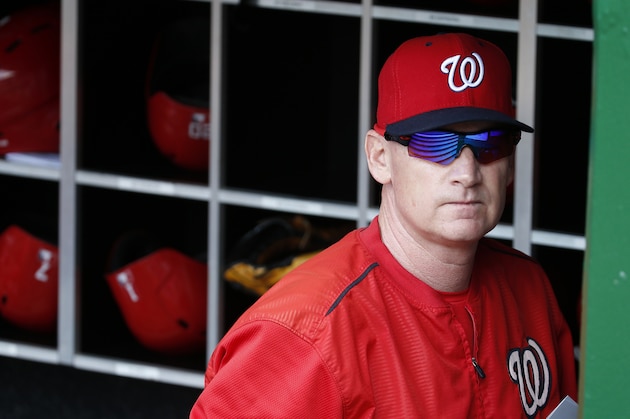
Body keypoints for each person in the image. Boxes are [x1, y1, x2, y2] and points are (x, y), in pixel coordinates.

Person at [189, 32, 577, 418]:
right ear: (379, 158)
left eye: (490, 142)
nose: (467, 172)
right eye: (435, 143)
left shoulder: (529, 288)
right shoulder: (306, 332)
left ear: (510, 164)